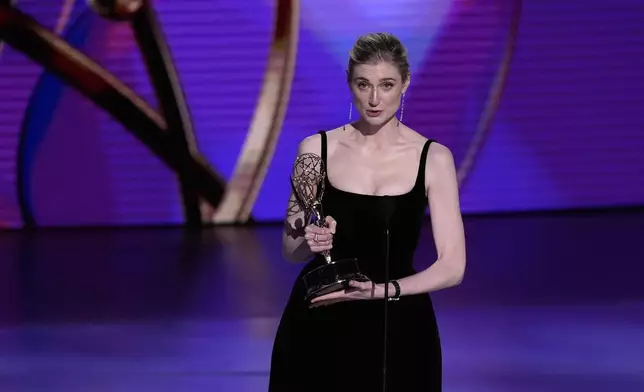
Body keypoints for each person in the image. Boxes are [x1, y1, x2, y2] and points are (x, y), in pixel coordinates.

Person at [268, 32, 466, 392]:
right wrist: (310, 240)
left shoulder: (434, 158)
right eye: (363, 84)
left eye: (386, 85)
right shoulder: (316, 149)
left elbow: (452, 267)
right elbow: (291, 249)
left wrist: (379, 291)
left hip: (399, 323)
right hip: (322, 318)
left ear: (405, 83)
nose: (374, 99)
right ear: (349, 82)